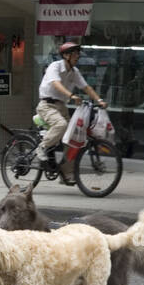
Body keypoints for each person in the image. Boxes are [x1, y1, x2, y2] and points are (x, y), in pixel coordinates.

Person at [35, 41, 106, 184]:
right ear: (66, 55)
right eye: (75, 53)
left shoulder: (74, 72)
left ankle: (65, 172)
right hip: (47, 105)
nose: (78, 56)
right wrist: (71, 96)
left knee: (73, 139)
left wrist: (99, 100)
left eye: (78, 53)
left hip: (62, 106)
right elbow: (56, 84)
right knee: (61, 125)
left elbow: (86, 88)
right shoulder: (54, 67)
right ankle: (42, 147)